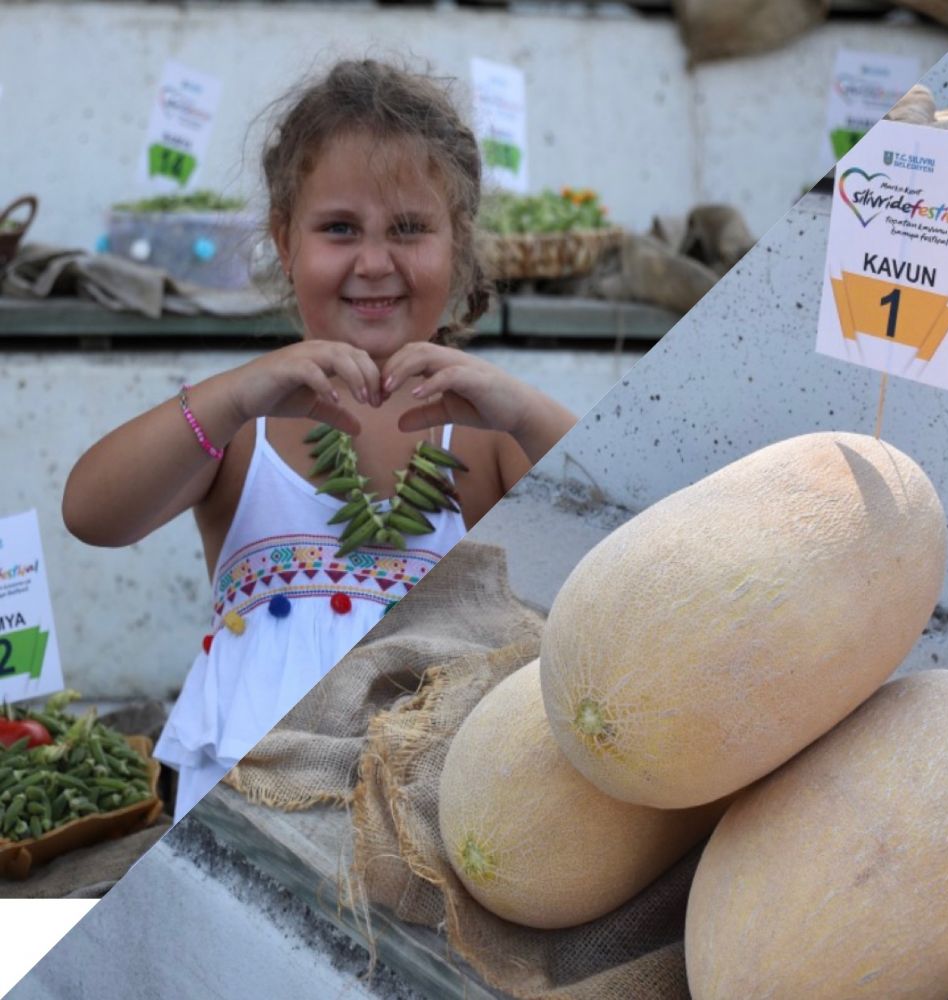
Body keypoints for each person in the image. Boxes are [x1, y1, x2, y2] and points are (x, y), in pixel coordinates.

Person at [62, 60, 576, 821]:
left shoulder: (490, 438)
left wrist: (525, 412)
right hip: (251, 813)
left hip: (426, 820)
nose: (374, 263)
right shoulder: (243, 431)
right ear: (283, 239)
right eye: (340, 229)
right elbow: (91, 513)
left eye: (409, 228)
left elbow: (622, 545)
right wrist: (235, 396)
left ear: (457, 242)